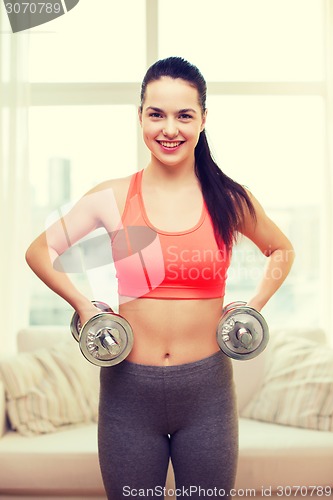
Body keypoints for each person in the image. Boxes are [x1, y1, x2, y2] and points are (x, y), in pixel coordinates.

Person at [26, 57, 295, 499]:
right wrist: (83, 305)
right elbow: (39, 251)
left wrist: (253, 307)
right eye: (157, 114)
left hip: (206, 393)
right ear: (140, 117)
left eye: (184, 115)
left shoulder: (229, 199)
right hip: (127, 392)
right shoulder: (111, 197)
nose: (169, 128)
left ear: (203, 120)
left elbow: (281, 249)